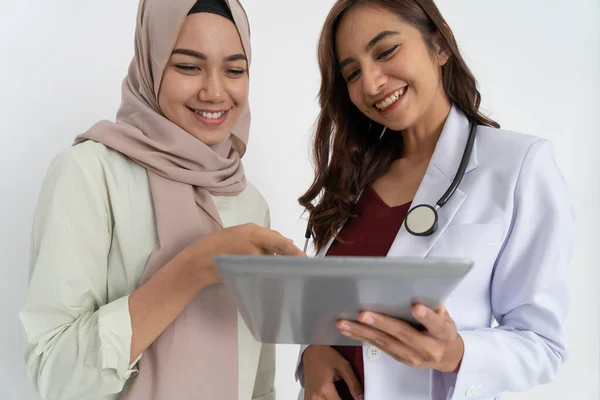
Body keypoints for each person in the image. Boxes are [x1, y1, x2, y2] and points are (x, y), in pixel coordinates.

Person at [18, 0, 304, 399]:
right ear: (151, 66)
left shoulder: (247, 200)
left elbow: (258, 376)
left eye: (235, 70)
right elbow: (55, 375)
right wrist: (192, 269)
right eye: (188, 66)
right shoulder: (89, 173)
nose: (215, 91)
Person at [296, 0, 575, 399]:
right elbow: (334, 307)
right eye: (353, 72)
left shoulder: (518, 166)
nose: (372, 83)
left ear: (439, 44)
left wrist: (457, 353)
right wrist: (313, 349)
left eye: (387, 51)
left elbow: (543, 345)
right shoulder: (353, 178)